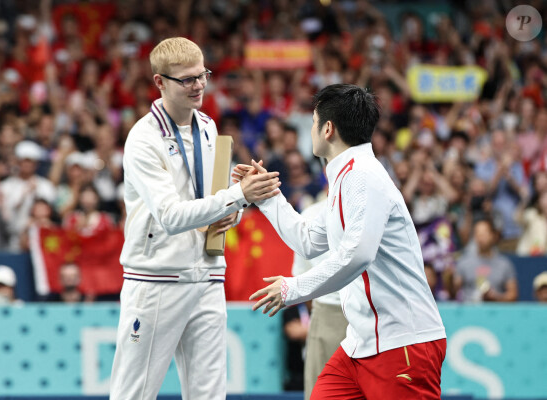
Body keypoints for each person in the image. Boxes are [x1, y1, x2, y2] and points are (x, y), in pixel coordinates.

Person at [237, 84, 446, 399]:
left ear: (328, 129)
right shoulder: (345, 178)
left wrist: (292, 288)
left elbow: (357, 255)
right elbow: (307, 241)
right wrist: (267, 197)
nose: (310, 129)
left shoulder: (363, 176)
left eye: (312, 121)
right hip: (359, 345)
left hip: (402, 342)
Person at [109, 37, 281, 400]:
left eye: (202, 75)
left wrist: (231, 211)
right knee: (133, 394)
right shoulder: (143, 139)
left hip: (207, 275)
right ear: (159, 82)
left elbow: (207, 204)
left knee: (210, 394)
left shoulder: (207, 126)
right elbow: (171, 216)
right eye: (186, 79)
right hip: (157, 278)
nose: (198, 85)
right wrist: (236, 196)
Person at [292, 199, 348, 400]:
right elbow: (301, 278)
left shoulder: (376, 207)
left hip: (373, 313)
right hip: (327, 313)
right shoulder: (311, 214)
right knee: (321, 393)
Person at [454, 218, 518, 302]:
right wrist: (449, 280)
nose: (481, 238)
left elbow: (513, 295)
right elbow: (453, 293)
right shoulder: (464, 262)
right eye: (477, 234)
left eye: (484, 234)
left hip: (495, 312)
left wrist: (496, 297)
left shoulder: (504, 264)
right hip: (469, 311)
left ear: (493, 236)